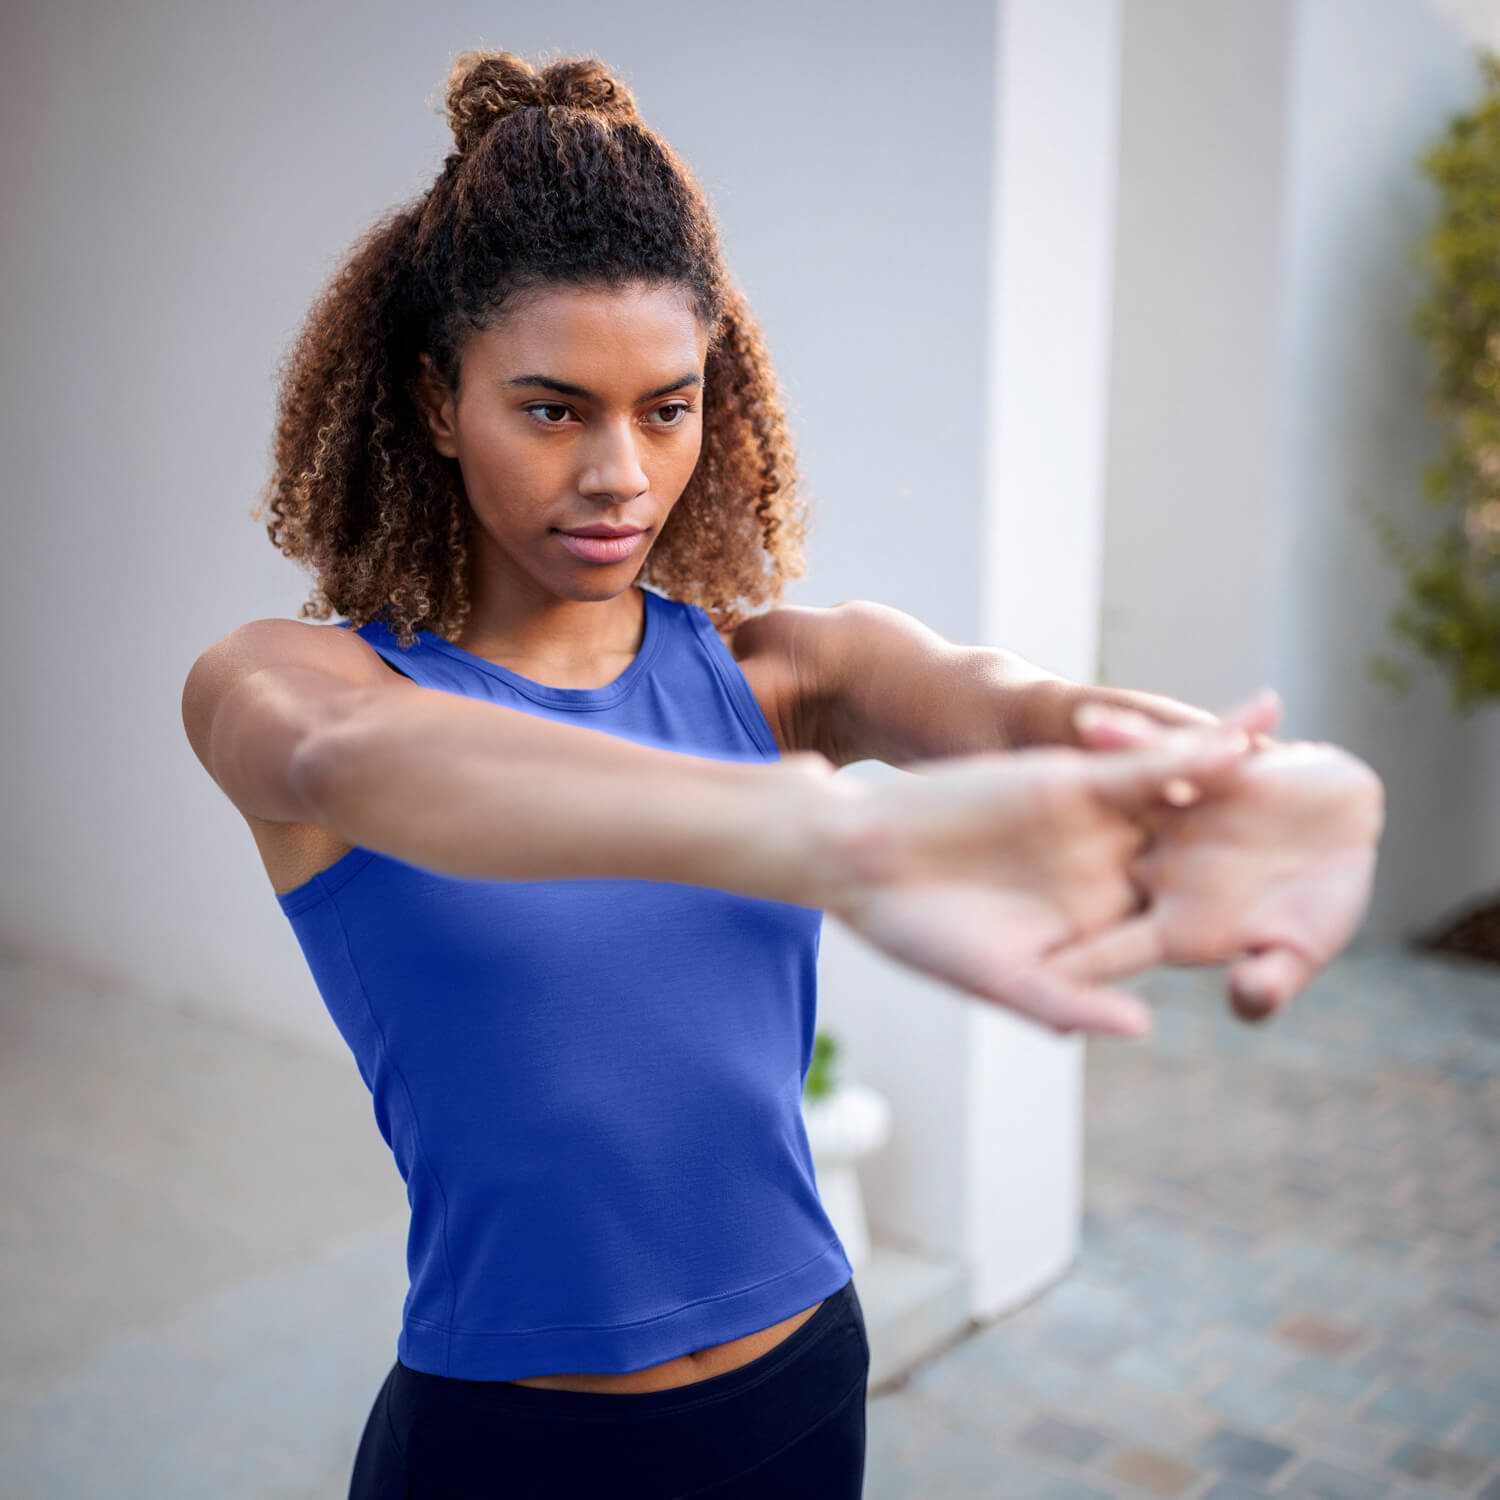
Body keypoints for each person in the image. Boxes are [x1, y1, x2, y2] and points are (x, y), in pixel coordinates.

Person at [179, 48, 1384, 1500]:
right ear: (439, 403)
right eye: (554, 408)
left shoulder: (786, 677)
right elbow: (374, 763)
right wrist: (823, 840)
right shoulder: (300, 690)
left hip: (802, 1394)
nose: (620, 471)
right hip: (507, 1442)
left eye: (668, 406)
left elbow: (1021, 708)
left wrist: (1259, 775)